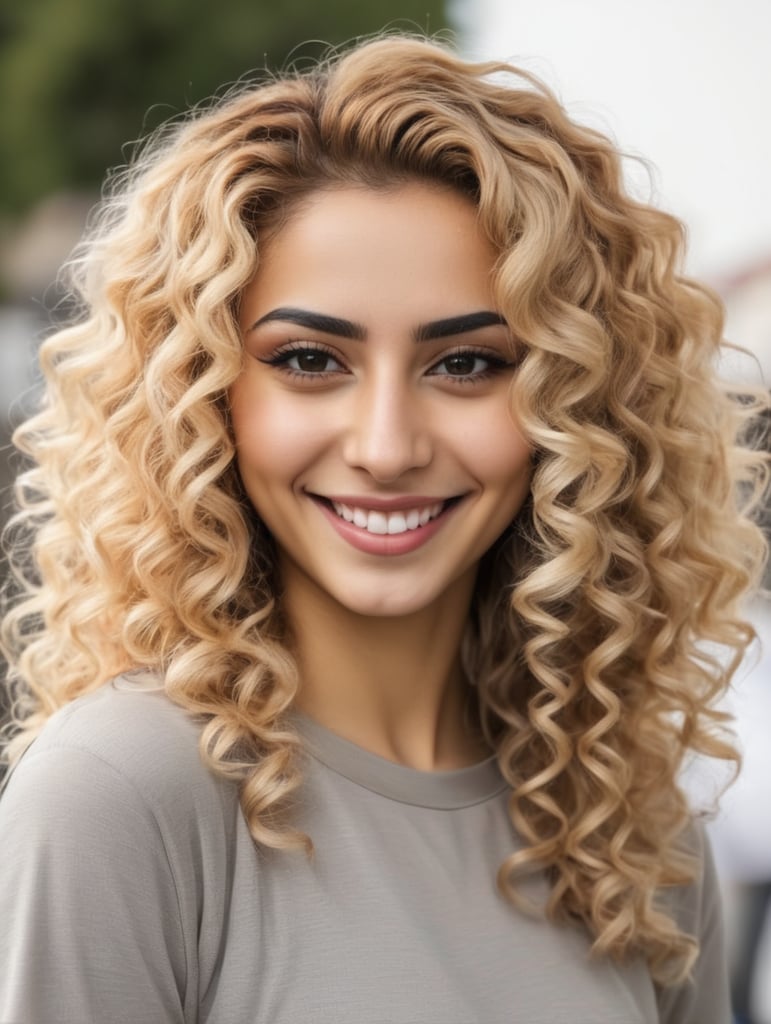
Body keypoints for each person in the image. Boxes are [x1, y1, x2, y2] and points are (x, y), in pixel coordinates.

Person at [0, 33, 767, 1024]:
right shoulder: (119, 799)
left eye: (467, 364)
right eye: (312, 360)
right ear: (203, 398)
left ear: (577, 408)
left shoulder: (636, 835)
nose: (387, 444)